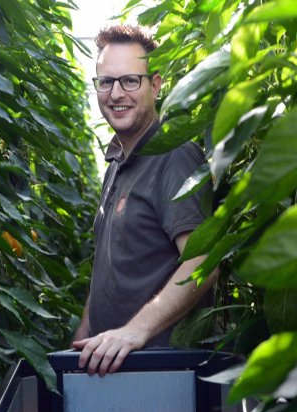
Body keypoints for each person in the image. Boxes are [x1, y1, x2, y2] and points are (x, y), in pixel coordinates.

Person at [71, 25, 217, 376]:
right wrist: (83, 335)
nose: (116, 93)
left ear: (155, 85)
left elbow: (203, 261)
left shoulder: (174, 156)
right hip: (111, 371)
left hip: (162, 374)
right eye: (106, 82)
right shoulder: (118, 163)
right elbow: (110, 268)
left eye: (129, 81)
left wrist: (135, 331)